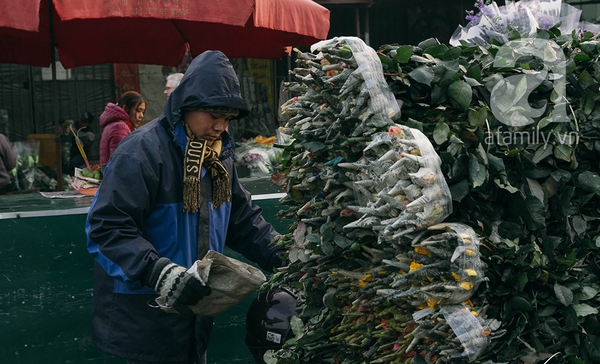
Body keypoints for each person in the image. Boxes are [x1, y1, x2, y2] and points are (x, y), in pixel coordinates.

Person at [86, 50, 283, 364]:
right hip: (143, 321)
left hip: (194, 318)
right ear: (186, 106)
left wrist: (286, 256)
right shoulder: (142, 152)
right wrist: (158, 272)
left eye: (228, 119)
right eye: (213, 115)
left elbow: (243, 222)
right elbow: (106, 229)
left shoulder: (218, 157)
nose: (221, 126)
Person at [99, 91, 146, 164]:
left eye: (143, 112)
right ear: (125, 108)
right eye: (138, 111)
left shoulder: (113, 124)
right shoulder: (120, 127)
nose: (141, 116)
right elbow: (120, 162)